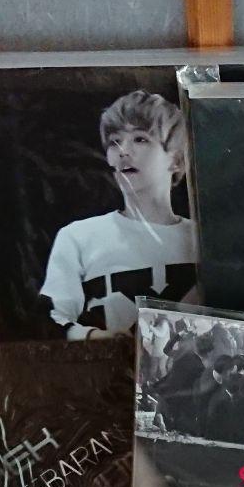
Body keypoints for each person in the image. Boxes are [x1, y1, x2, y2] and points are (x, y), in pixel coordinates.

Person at [40, 90, 196, 340]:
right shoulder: (78, 237)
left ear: (176, 160)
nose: (123, 151)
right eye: (115, 141)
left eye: (140, 139)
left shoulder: (205, 240)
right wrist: (95, 338)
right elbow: (52, 320)